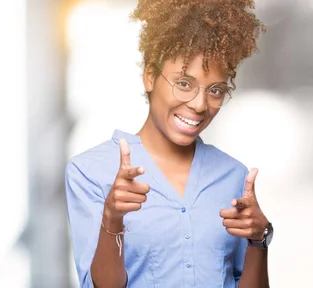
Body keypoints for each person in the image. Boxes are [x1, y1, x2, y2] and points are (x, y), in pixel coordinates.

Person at [64, 0, 273, 287]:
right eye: (184, 83)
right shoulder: (90, 172)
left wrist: (258, 241)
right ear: (150, 75)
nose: (200, 105)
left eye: (215, 90)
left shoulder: (234, 176)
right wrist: (112, 219)